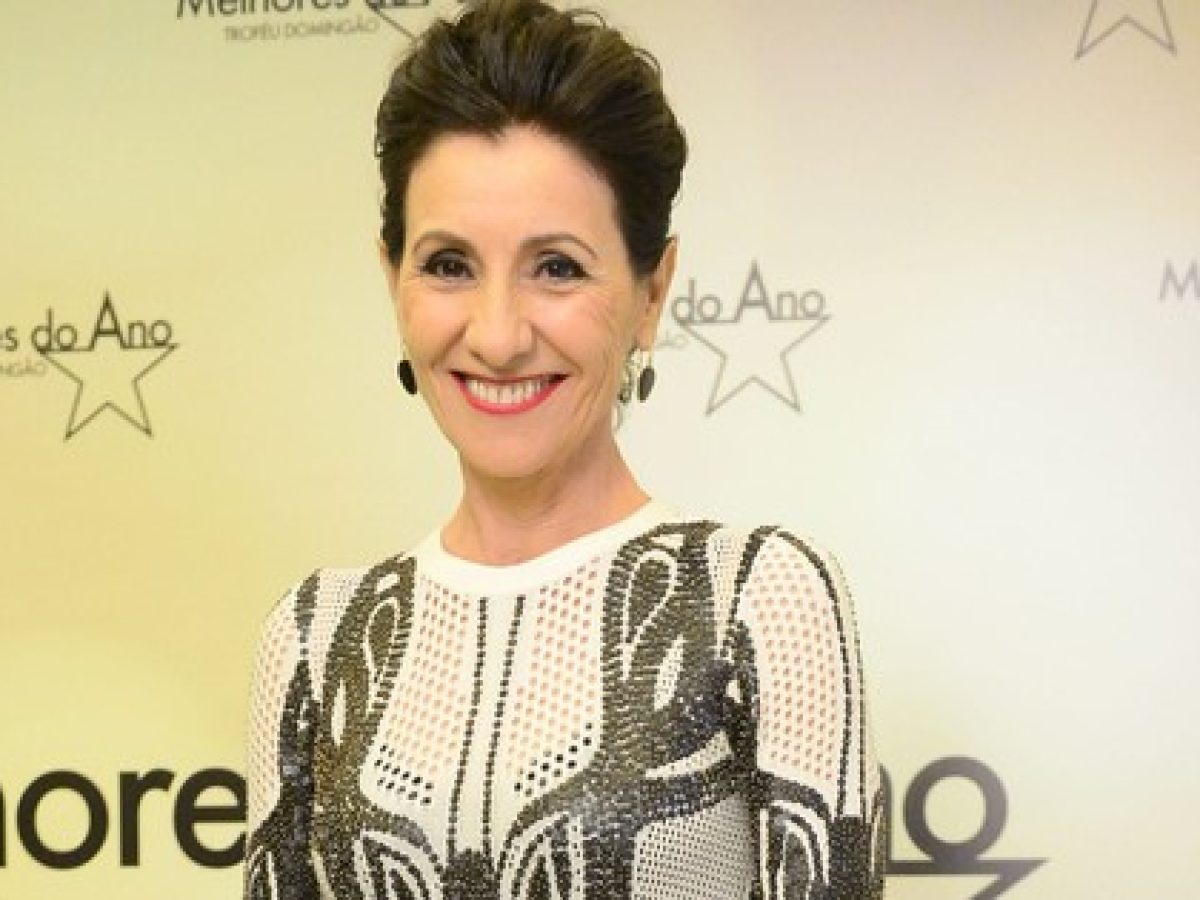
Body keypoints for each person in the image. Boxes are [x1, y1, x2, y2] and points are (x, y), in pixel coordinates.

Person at [243, 1, 886, 897]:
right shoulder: (316, 639)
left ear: (652, 293)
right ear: (393, 281)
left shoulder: (757, 598)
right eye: (449, 264)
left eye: (557, 267)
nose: (498, 336)